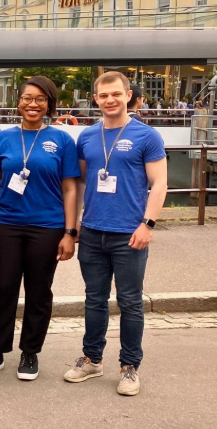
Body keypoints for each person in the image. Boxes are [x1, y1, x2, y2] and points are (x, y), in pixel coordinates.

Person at [64, 71, 167, 396]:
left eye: (116, 94)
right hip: (93, 232)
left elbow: (160, 183)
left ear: (128, 96)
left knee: (130, 302)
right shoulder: (87, 137)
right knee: (94, 299)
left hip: (129, 234)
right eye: (104, 95)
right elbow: (80, 183)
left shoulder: (146, 136)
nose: (110, 100)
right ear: (96, 99)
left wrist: (147, 224)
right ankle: (92, 359)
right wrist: (74, 225)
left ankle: (129, 367)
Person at [0, 76, 79, 381]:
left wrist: (70, 232)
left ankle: (30, 352)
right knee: (2, 288)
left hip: (47, 226)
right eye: (27, 98)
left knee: (38, 290)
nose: (33, 104)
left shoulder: (62, 140)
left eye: (40, 99)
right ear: (18, 102)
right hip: (6, 224)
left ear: (49, 104)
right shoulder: (2, 140)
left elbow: (70, 189)